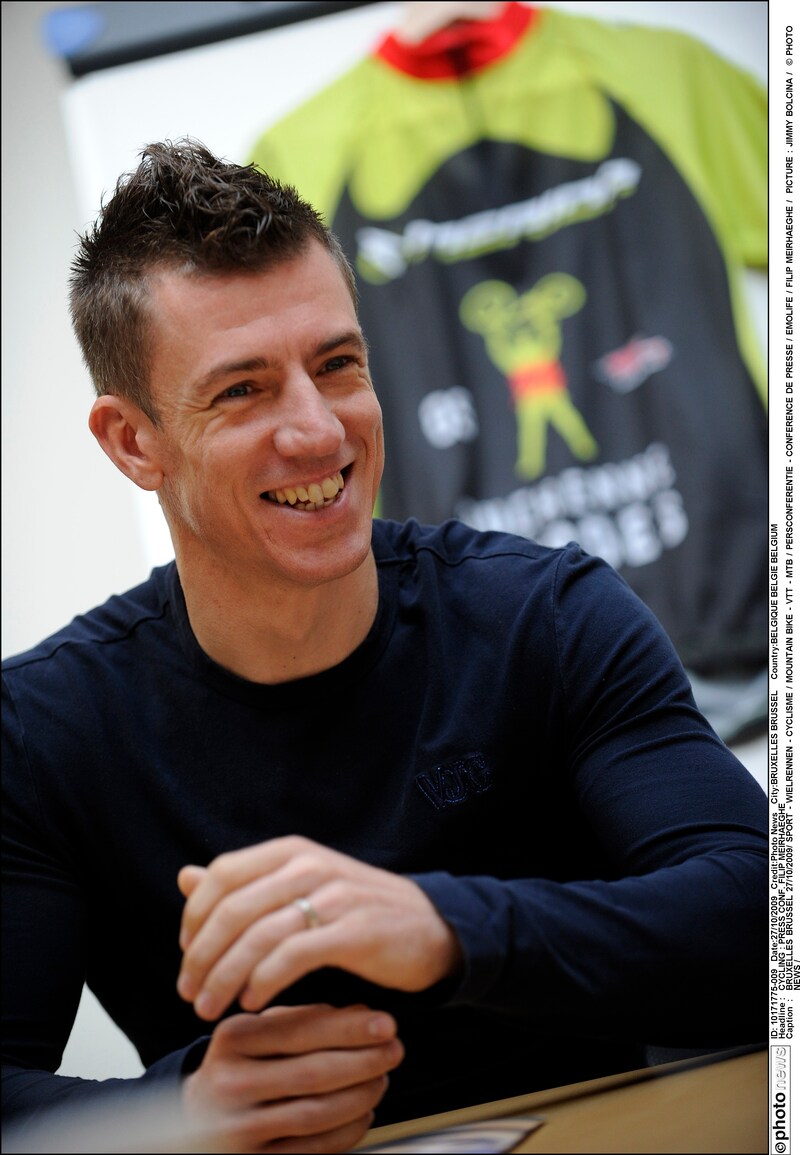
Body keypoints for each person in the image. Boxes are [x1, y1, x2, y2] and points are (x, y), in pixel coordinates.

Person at [2, 139, 766, 1153]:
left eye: (336, 366)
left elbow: (759, 915)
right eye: (242, 391)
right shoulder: (44, 732)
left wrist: (445, 928)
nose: (319, 432)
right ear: (133, 442)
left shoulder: (546, 615)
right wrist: (173, 1112)